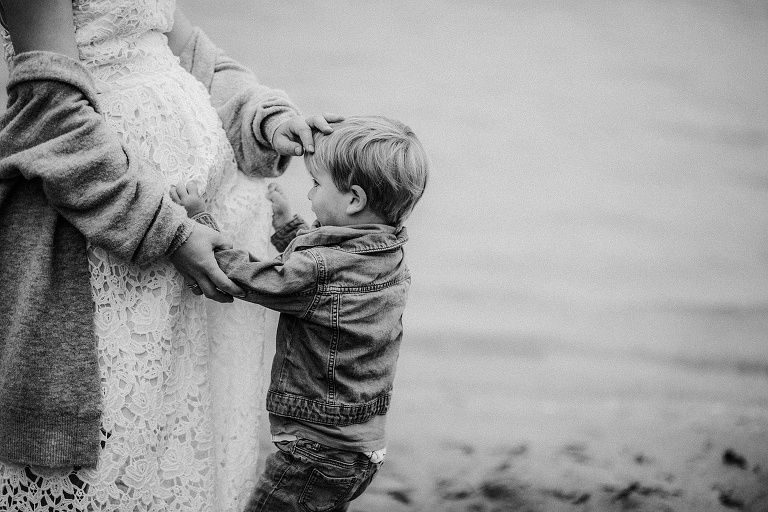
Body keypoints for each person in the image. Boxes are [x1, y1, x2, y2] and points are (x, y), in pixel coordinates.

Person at [0, 1, 334, 510]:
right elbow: (52, 114)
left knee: (182, 455)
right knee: (110, 464)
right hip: (104, 247)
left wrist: (263, 115)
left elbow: (192, 57)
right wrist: (168, 233)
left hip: (189, 252)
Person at [171, 115, 429, 512]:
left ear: (354, 200)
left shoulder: (320, 273)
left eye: (315, 184)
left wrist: (201, 222)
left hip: (315, 452)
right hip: (360, 450)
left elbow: (259, 280)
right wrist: (288, 226)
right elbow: (326, 282)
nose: (309, 196)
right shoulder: (389, 255)